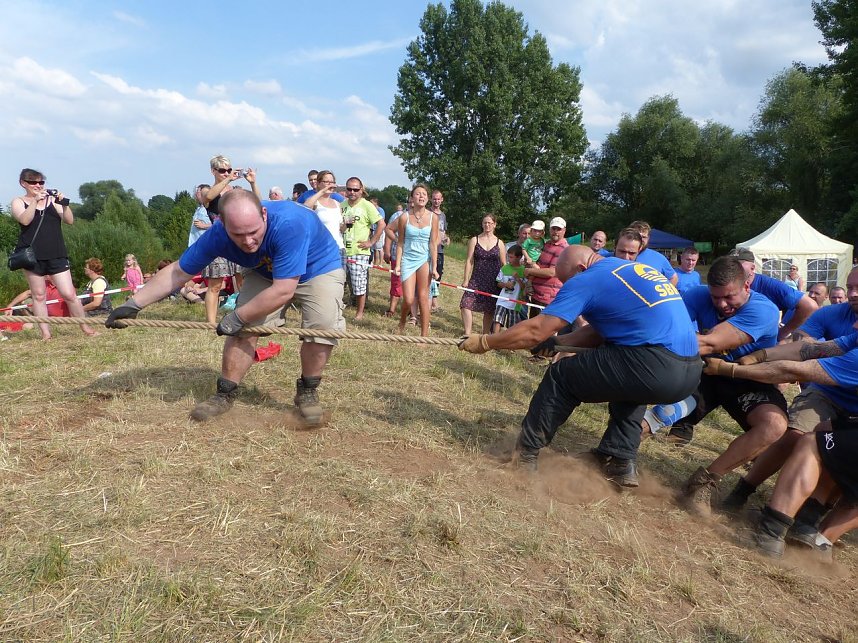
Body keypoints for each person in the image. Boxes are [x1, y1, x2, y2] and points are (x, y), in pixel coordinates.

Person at [458, 245, 700, 486]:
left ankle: (524, 455)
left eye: (567, 282)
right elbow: (600, 333)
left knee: (561, 377)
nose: (567, 288)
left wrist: (486, 341)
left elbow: (535, 330)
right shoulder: (629, 269)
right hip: (689, 372)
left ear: (581, 269)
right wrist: (556, 343)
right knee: (629, 386)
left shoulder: (590, 277)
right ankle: (620, 460)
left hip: (653, 362)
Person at [105, 190, 345, 426]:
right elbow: (179, 272)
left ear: (264, 214)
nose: (248, 241)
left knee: (322, 326)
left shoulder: (290, 224)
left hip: (318, 267)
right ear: (222, 224)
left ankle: (307, 390)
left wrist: (237, 316)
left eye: (253, 232)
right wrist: (134, 303)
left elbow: (283, 290)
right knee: (243, 331)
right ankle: (225, 393)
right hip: (264, 271)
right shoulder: (217, 234)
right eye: (238, 235)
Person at [704, 336, 858, 561]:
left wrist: (729, 370)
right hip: (843, 410)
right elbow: (814, 349)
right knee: (826, 439)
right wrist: (763, 355)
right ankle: (814, 537)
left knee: (812, 444)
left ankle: (770, 534)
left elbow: (792, 371)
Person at [719, 266, 858, 513]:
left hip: (840, 392)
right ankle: (745, 489)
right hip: (827, 392)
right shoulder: (834, 317)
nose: (853, 294)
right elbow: (804, 346)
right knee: (794, 435)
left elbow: (800, 367)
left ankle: (811, 517)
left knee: (839, 454)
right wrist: (762, 355)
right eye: (849, 288)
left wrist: (730, 370)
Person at [657, 256, 787, 515]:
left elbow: (712, 343)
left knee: (774, 425)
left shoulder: (765, 310)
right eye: (716, 298)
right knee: (662, 412)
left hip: (747, 381)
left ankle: (704, 482)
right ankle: (615, 455)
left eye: (730, 297)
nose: (722, 304)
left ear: (747, 287)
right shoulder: (696, 295)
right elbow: (669, 327)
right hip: (708, 373)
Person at [9, 168, 97, 339]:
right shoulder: (18, 201)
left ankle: (86, 328)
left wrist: (64, 203)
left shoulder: (52, 201)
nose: (38, 185)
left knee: (69, 293)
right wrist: (35, 201)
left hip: (56, 254)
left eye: (41, 182)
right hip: (32, 257)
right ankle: (45, 334)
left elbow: (70, 221)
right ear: (23, 183)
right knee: (39, 295)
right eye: (33, 182)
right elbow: (25, 220)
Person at [201, 155, 258, 324]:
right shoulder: (206, 190)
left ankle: (241, 317)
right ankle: (211, 323)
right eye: (222, 170)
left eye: (229, 169)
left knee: (243, 281)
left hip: (236, 242)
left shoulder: (235, 191)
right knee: (215, 285)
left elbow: (257, 202)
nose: (227, 173)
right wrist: (227, 181)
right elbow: (209, 198)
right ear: (213, 171)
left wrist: (253, 183)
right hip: (217, 243)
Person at [729, 248, 817, 341]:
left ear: (752, 268)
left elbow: (809, 306)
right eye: (730, 265)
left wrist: (783, 332)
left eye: (739, 265)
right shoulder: (723, 285)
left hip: (760, 346)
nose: (733, 269)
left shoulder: (770, 285)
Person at [393, 184, 439, 336]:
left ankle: (424, 336)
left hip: (424, 260)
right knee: (408, 299)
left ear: (427, 197)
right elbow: (400, 243)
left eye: (424, 194)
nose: (421, 196)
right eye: (418, 194)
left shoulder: (434, 217)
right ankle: (402, 322)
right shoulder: (404, 217)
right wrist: (398, 265)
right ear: (412, 198)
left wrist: (434, 267)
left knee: (424, 298)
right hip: (408, 259)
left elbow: (433, 244)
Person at [341, 177, 386, 321]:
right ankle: (337, 310)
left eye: (355, 189)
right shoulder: (342, 205)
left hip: (359, 252)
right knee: (339, 283)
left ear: (361, 190)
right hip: (342, 251)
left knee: (358, 285)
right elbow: (339, 227)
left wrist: (371, 242)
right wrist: (343, 226)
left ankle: (359, 313)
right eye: (349, 189)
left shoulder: (367, 205)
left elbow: (381, 224)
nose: (352, 192)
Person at [460, 213, 506, 335]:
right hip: (476, 279)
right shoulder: (474, 240)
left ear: (494, 225)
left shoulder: (500, 243)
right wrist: (466, 279)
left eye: (490, 223)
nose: (487, 225)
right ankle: (467, 333)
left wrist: (505, 281)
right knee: (465, 304)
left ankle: (485, 334)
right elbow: (469, 260)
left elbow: (504, 264)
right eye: (485, 222)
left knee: (489, 310)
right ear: (482, 224)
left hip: (493, 281)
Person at [524, 217, 569, 315]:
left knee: (542, 329)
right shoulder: (546, 243)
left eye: (559, 229)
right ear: (549, 229)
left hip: (548, 299)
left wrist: (529, 271)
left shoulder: (563, 248)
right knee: (532, 328)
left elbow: (551, 272)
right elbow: (538, 262)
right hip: (536, 295)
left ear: (564, 230)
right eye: (553, 228)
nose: (556, 232)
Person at [303, 170, 346, 272]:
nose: (330, 185)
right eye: (326, 182)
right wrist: (322, 191)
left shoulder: (337, 203)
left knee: (339, 282)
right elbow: (305, 207)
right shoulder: (314, 202)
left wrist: (347, 224)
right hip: (321, 249)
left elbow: (340, 229)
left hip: (339, 248)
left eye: (332, 182)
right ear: (319, 183)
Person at [628, 221, 678, 285]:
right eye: (637, 236)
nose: (640, 239)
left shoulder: (659, 258)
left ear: (648, 238)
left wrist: (662, 293)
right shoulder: (619, 254)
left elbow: (673, 277)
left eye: (644, 237)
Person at [492, 244, 527, 332]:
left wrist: (518, 279)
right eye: (508, 257)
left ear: (519, 257)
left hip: (515, 303)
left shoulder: (524, 270)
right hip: (502, 300)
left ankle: (508, 342)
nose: (509, 259)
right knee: (497, 319)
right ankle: (494, 338)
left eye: (511, 257)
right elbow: (498, 283)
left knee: (512, 325)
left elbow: (524, 288)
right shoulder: (504, 268)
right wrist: (505, 285)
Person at [429, 189, 450, 311]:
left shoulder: (443, 215)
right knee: (429, 273)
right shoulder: (427, 213)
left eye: (438, 199)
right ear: (431, 199)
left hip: (440, 250)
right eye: (434, 198)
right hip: (430, 248)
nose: (436, 201)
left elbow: (443, 232)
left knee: (438, 275)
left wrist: (446, 238)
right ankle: (432, 302)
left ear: (442, 200)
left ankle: (434, 300)